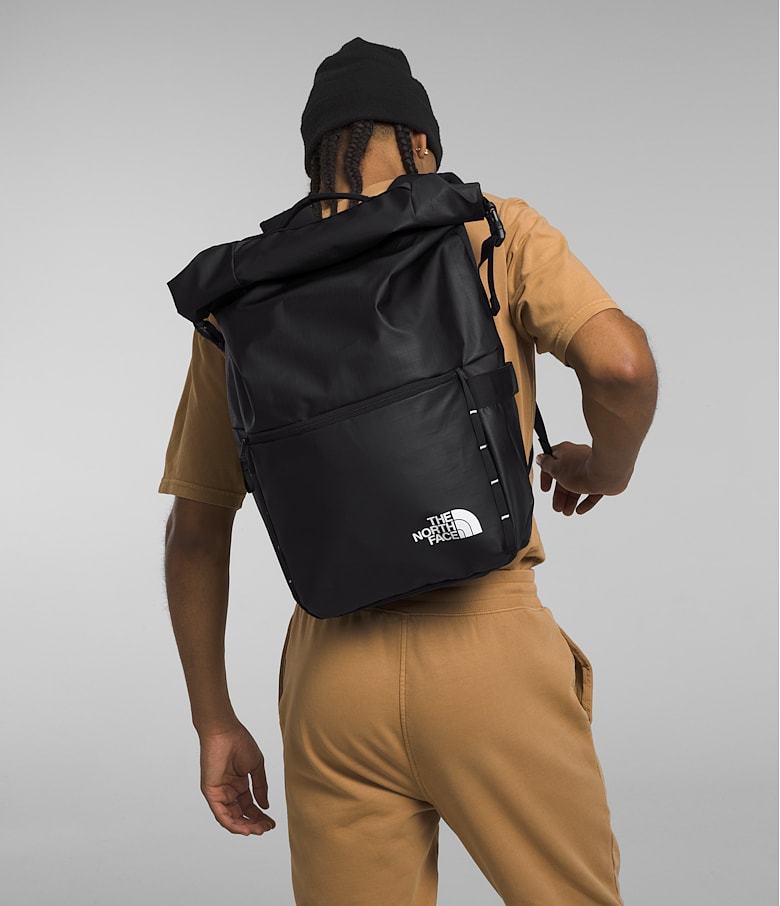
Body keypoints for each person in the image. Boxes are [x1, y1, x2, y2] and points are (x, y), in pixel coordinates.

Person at [160, 37, 657, 906]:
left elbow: (197, 530)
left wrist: (214, 718)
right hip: (487, 650)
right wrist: (602, 469)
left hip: (330, 680)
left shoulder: (242, 303)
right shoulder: (488, 229)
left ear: (317, 158)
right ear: (423, 144)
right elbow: (622, 367)